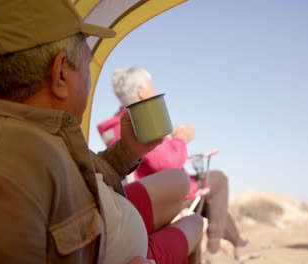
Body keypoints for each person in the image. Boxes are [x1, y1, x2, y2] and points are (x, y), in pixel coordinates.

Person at [0, 1, 204, 263]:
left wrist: (126, 152)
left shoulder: (30, 130)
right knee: (194, 224)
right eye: (86, 64)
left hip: (107, 220)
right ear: (61, 74)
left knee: (182, 194)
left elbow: (74, 172)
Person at [98, 66, 262, 263]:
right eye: (151, 87)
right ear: (142, 92)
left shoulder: (118, 124)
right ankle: (215, 248)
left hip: (139, 195)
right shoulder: (140, 120)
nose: (153, 90)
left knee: (207, 192)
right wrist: (180, 140)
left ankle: (236, 244)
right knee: (215, 181)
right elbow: (167, 163)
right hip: (158, 192)